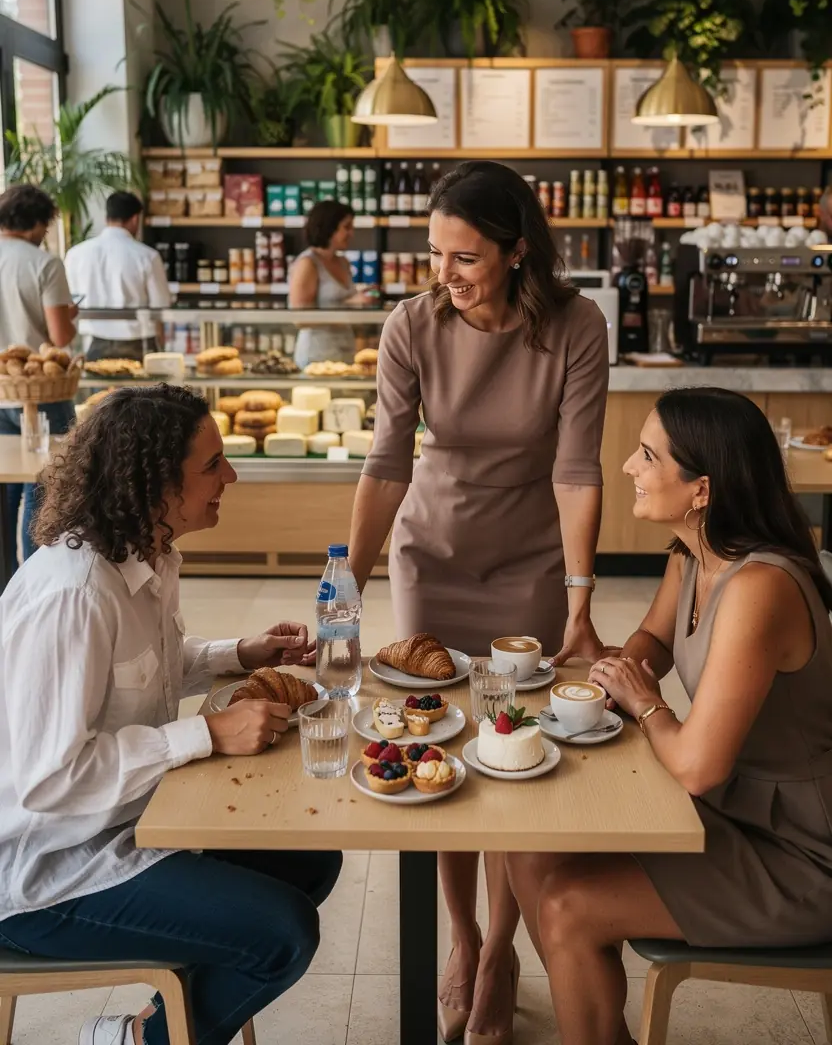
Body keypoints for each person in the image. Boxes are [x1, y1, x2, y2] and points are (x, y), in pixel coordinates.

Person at [346, 160, 610, 1045]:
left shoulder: (575, 327)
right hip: (434, 557)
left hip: (531, 560)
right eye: (434, 254)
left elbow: (577, 469)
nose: (445, 274)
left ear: (516, 250)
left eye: (464, 257)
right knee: (437, 745)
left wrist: (578, 599)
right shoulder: (411, 325)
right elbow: (388, 463)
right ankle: (459, 937)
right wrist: (349, 582)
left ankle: (501, 953)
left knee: (513, 748)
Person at [0, 384, 342, 1045]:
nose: (231, 476)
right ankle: (139, 1041)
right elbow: (50, 779)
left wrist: (237, 654)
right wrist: (205, 733)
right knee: (282, 933)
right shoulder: (75, 595)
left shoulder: (144, 556)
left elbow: (143, 668)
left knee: (311, 859)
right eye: (213, 464)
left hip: (122, 824)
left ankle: (169, 1021)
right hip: (43, 874)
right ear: (155, 482)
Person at [506, 387, 832, 1045]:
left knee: (568, 905)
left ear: (701, 489)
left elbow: (695, 767)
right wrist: (613, 676)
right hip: (732, 808)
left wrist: (643, 701)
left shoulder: (760, 587)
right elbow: (652, 640)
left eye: (648, 455)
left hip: (801, 853)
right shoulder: (695, 554)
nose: (629, 465)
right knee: (527, 842)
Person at [0, 183, 77, 571]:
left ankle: (4, 587)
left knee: (3, 492)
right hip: (44, 393)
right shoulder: (44, 264)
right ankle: (38, 579)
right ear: (35, 223)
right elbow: (59, 337)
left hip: (2, 391)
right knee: (47, 489)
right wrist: (70, 317)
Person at [64, 190, 172, 361]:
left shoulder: (75, 254)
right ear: (135, 219)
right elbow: (161, 306)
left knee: (97, 380)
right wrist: (161, 348)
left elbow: (69, 302)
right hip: (138, 343)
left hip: (92, 342)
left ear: (107, 217)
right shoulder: (147, 256)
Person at [288, 200, 369, 368]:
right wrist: (349, 305)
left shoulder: (343, 262)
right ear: (329, 227)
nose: (351, 233)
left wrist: (362, 298)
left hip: (345, 352)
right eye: (346, 227)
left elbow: (346, 301)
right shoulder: (307, 264)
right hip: (317, 356)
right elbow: (299, 319)